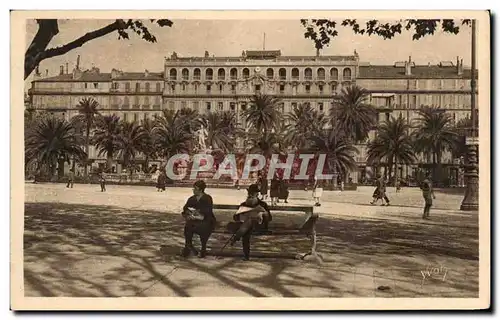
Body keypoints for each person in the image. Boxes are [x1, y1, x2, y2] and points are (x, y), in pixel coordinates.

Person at [228, 184, 272, 261]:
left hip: (258, 226)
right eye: (250, 194)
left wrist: (263, 213)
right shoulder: (244, 204)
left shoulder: (262, 204)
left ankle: (236, 238)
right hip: (246, 227)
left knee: (248, 224)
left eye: (253, 194)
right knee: (247, 227)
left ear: (257, 194)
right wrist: (241, 215)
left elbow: (269, 218)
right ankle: (245, 255)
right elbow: (235, 217)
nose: (251, 196)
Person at [181, 180, 216, 258]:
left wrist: (197, 214)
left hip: (206, 220)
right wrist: (189, 213)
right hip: (195, 221)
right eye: (193, 188)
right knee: (188, 226)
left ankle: (203, 248)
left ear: (200, 189)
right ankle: (189, 246)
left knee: (203, 227)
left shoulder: (207, 198)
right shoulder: (192, 199)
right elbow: (185, 208)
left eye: (195, 188)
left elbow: (208, 212)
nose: (194, 190)